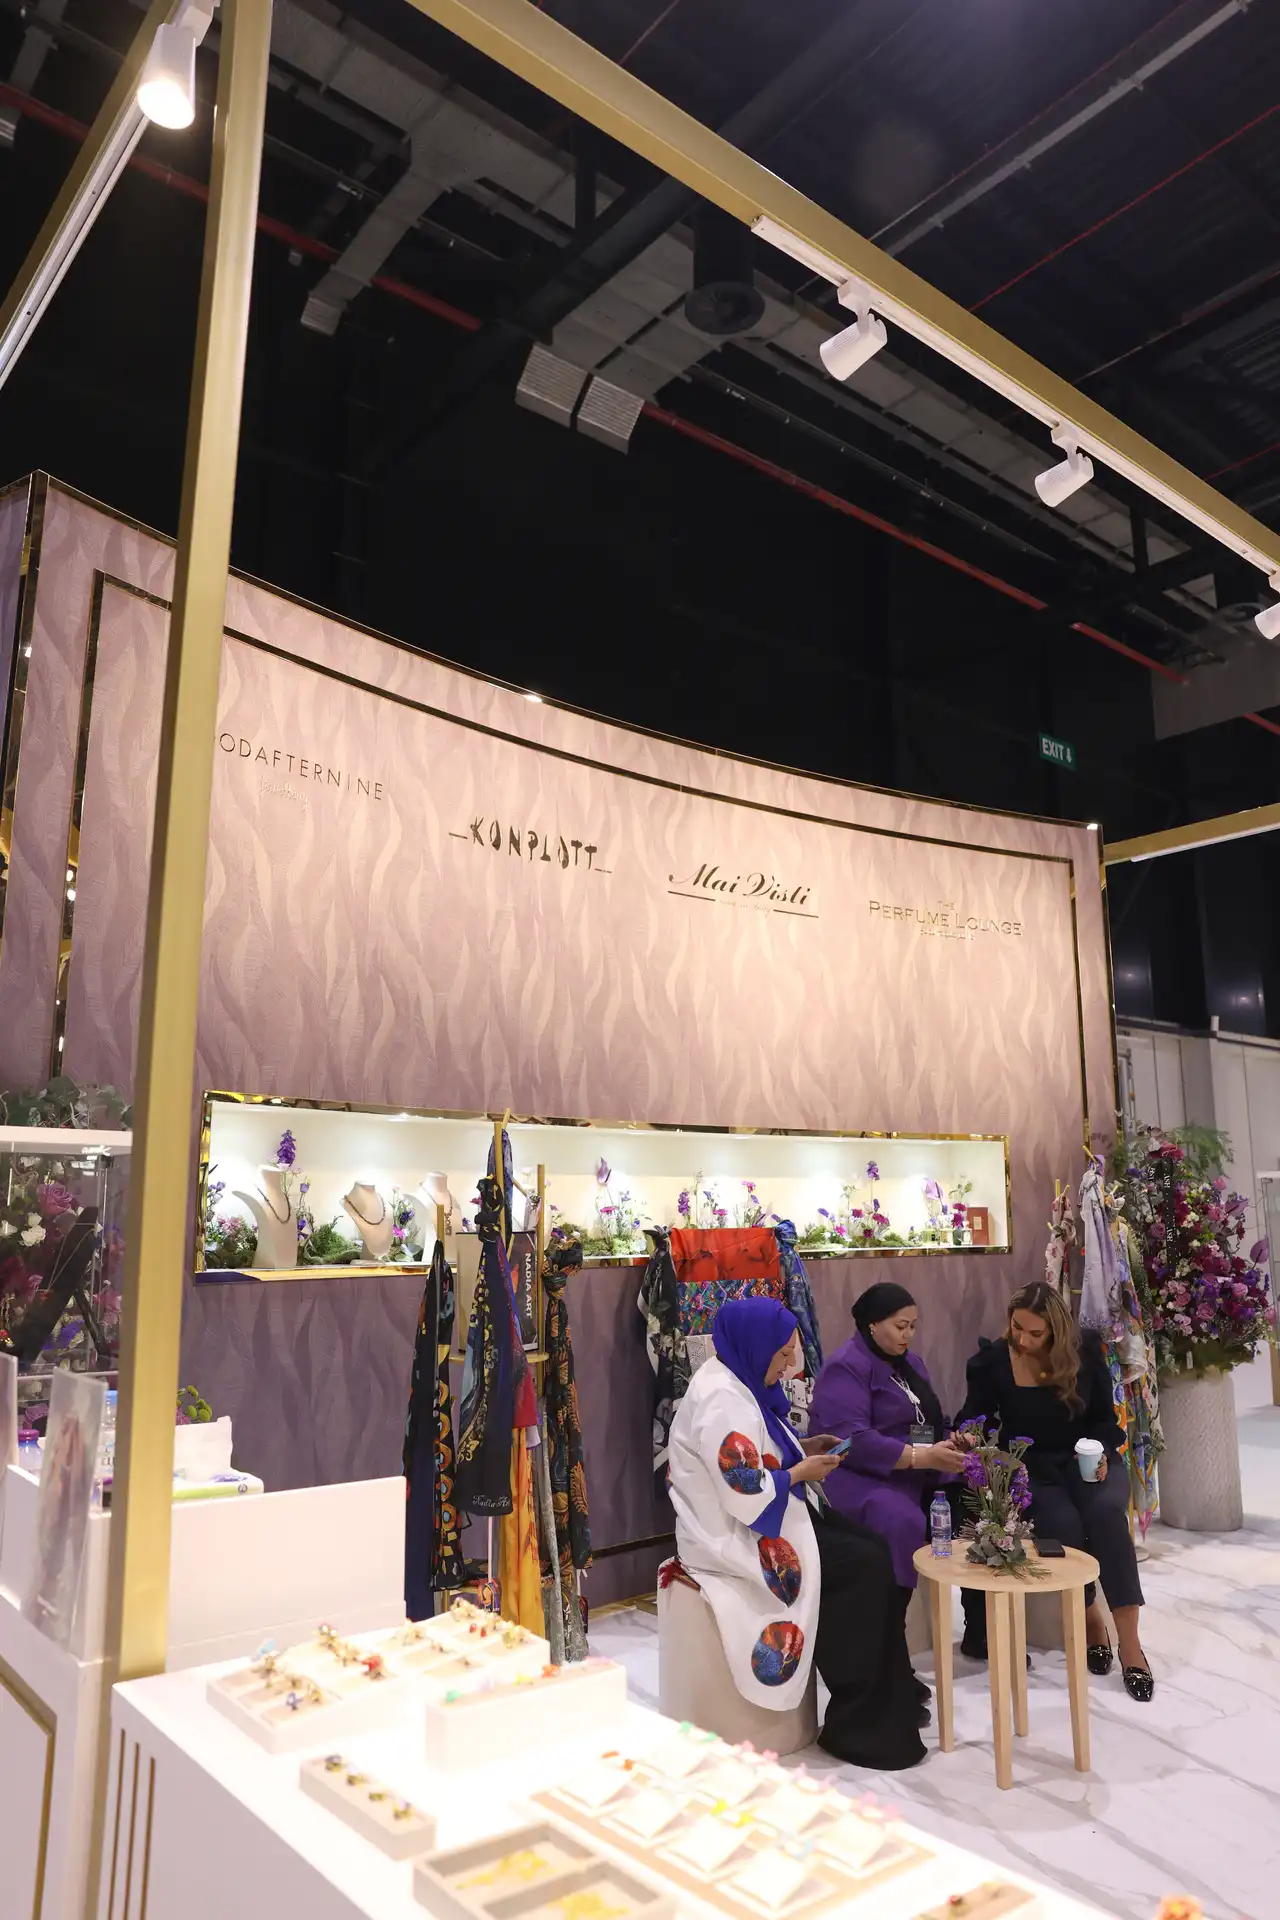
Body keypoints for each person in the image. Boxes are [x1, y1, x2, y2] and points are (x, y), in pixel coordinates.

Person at [667, 1297, 926, 1769]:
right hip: (730, 1534)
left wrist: (802, 1448)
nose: (789, 1366)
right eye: (783, 1354)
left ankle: (887, 1698)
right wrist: (801, 1472)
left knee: (874, 1548)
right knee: (862, 1566)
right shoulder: (722, 1400)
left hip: (768, 1511)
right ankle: (862, 1719)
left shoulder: (736, 1381)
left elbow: (757, 1454)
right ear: (756, 1346)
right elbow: (745, 1490)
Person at [955, 1280, 1153, 1701]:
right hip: (1033, 1467)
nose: (1023, 1340)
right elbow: (974, 1417)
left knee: (1105, 1518)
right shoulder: (992, 1361)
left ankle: (1131, 1644)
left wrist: (1103, 1453)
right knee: (1062, 1527)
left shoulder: (1085, 1352)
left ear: (1056, 1330)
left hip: (1088, 1459)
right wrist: (968, 1436)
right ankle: (1091, 1618)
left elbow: (1105, 1421)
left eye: (1035, 1333)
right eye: (1017, 1328)